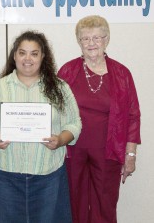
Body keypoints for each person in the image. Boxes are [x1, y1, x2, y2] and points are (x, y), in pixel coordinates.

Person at [0, 30, 82, 223]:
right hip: (7, 175)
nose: (28, 58)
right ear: (14, 55)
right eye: (22, 52)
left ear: (43, 57)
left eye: (34, 53)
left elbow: (74, 123)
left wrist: (60, 140)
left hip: (48, 175)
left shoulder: (59, 87)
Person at [57, 15, 141, 223]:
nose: (91, 43)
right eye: (85, 38)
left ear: (106, 39)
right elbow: (53, 109)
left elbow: (133, 115)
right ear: (79, 42)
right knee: (73, 202)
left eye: (97, 38)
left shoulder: (122, 73)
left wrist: (130, 153)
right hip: (72, 150)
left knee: (104, 203)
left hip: (108, 151)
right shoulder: (67, 71)